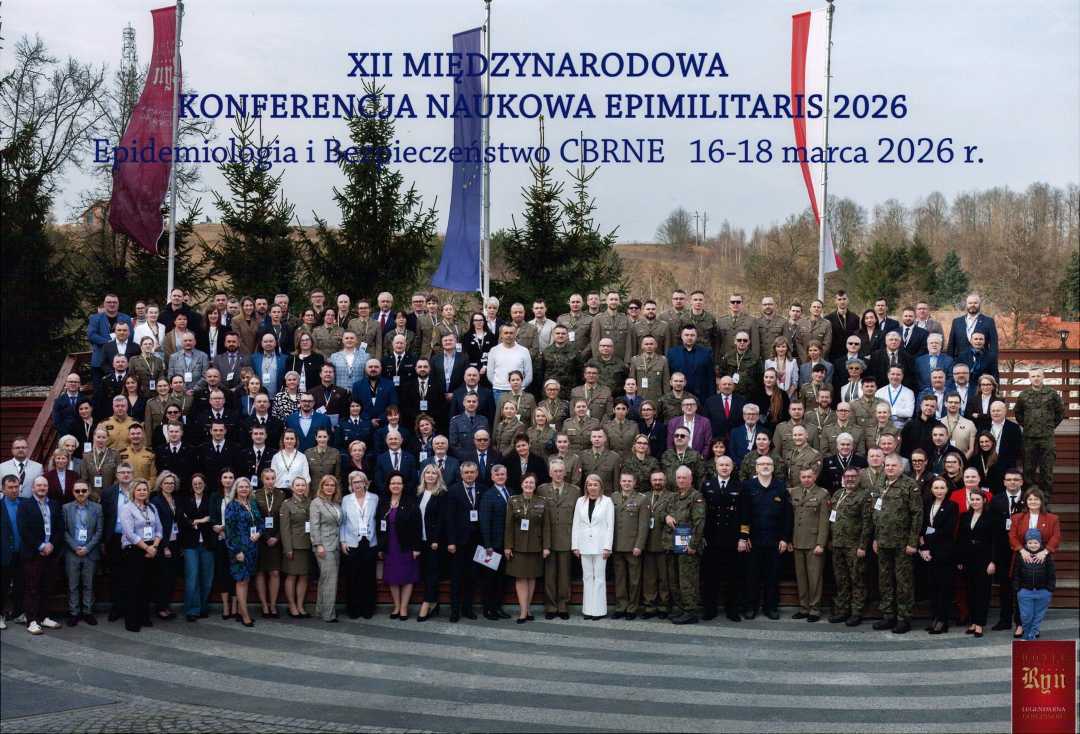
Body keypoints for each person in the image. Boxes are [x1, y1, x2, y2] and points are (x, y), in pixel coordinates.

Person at [869, 454, 923, 634]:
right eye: (887, 465)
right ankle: (888, 615)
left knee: (903, 581)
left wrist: (913, 541)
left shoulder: (910, 485)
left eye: (893, 465)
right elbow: (876, 513)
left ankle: (903, 618)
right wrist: (875, 538)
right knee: (884, 580)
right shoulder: (880, 483)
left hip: (902, 543)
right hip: (883, 541)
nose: (890, 468)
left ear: (901, 468)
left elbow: (917, 515)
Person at [738, 455, 791, 620]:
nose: (765, 466)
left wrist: (784, 538)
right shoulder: (747, 486)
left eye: (769, 464)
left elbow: (787, 516)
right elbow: (743, 514)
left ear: (773, 468)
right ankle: (750, 607)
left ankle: (771, 607)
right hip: (753, 540)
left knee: (772, 576)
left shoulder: (780, 487)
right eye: (762, 464)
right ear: (756, 468)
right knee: (751, 576)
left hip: (774, 540)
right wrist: (744, 537)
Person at [1007, 487, 1061, 638]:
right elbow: (1012, 536)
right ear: (1026, 501)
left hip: (1043, 560)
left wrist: (1045, 552)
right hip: (1022, 559)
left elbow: (1056, 537)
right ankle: (1020, 625)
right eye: (1030, 499)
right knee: (1020, 594)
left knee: (1038, 595)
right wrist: (1021, 550)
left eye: (1036, 499)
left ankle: (1034, 627)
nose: (1033, 502)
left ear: (1041, 501)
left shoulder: (1052, 518)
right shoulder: (1017, 517)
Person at [699, 456, 742, 622]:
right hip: (712, 537)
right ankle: (710, 609)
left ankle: (733, 610)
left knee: (733, 576)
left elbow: (744, 513)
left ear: (732, 467)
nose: (724, 468)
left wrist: (743, 537)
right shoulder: (707, 485)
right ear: (716, 466)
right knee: (711, 576)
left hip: (732, 537)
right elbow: (702, 513)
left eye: (727, 465)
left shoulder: (739, 485)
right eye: (721, 465)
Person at [1013, 367, 1065, 499]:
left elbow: (1060, 412)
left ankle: (1045, 498)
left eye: (1038, 376)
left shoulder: (1052, 394)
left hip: (1046, 438)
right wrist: (1028, 425)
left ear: (1043, 377)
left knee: (1046, 469)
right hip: (1029, 438)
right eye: (1033, 376)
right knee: (1028, 469)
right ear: (1029, 378)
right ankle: (1029, 497)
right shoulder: (1023, 395)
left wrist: (1050, 426)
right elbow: (1018, 413)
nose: (1036, 378)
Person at [504, 473, 550, 623]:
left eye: (531, 483)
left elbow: (546, 527)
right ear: (521, 484)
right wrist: (508, 546)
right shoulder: (513, 500)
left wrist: (546, 547)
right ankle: (523, 611)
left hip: (536, 546)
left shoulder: (542, 502)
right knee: (521, 578)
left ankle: (527, 608)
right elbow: (509, 525)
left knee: (532, 578)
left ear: (535, 485)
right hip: (518, 546)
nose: (529, 485)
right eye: (526, 482)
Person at [118, 478, 162, 632]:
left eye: (144, 489)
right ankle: (132, 621)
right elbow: (129, 534)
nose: (142, 492)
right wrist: (147, 548)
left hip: (151, 548)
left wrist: (154, 546)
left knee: (147, 585)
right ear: (133, 492)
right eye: (139, 489)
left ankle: (144, 617)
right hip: (134, 550)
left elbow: (159, 529)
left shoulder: (152, 507)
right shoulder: (127, 508)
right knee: (134, 586)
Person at [663, 466, 706, 625]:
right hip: (674, 545)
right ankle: (681, 608)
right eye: (679, 477)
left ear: (691, 479)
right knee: (675, 580)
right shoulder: (674, 497)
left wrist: (693, 545)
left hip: (688, 547)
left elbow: (699, 523)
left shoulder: (696, 497)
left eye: (684, 478)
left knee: (687, 580)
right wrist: (667, 516)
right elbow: (662, 511)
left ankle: (691, 611)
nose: (681, 480)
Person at [828, 468, 870, 626]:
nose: (850, 479)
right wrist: (830, 540)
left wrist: (863, 546)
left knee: (857, 579)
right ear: (843, 478)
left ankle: (856, 612)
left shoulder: (864, 496)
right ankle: (842, 610)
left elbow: (867, 523)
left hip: (854, 545)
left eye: (853, 476)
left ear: (858, 478)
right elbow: (832, 519)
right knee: (841, 579)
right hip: (838, 544)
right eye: (847, 476)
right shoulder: (838, 494)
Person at [377, 472, 421, 620]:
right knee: (392, 577)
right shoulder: (383, 503)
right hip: (389, 545)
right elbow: (379, 526)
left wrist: (416, 548)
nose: (396, 486)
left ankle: (404, 608)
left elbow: (417, 527)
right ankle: (396, 606)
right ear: (389, 486)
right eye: (393, 483)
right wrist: (381, 547)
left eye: (399, 483)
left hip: (406, 545)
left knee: (407, 577)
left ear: (403, 486)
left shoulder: (411, 502)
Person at [789, 468, 830, 622]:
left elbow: (824, 522)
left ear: (815, 477)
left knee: (815, 578)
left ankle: (814, 609)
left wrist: (821, 543)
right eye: (803, 476)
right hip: (798, 541)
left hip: (814, 543)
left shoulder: (822, 494)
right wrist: (789, 540)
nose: (806, 479)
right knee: (801, 578)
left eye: (809, 476)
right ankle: (803, 607)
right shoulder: (794, 492)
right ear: (799, 477)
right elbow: (791, 518)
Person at [571, 475, 615, 620]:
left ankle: (599, 611)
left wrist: (608, 547)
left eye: (595, 484)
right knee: (587, 577)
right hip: (584, 545)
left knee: (600, 578)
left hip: (601, 546)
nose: (592, 487)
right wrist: (575, 545)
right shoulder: (580, 501)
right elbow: (576, 524)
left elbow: (610, 526)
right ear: (586, 487)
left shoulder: (607, 502)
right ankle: (588, 610)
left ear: (600, 486)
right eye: (589, 485)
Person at [956, 489, 997, 637]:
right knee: (970, 591)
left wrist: (993, 561)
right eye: (972, 499)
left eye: (977, 499)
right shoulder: (965, 516)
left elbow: (994, 542)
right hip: (968, 559)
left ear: (984, 500)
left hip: (984, 559)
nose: (975, 502)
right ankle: (973, 622)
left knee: (982, 592)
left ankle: (980, 623)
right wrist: (960, 559)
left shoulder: (991, 517)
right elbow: (960, 539)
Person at [919, 477, 958, 634]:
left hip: (945, 553)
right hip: (929, 553)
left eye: (942, 488)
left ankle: (943, 620)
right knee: (933, 587)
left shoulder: (952, 506)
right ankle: (934, 618)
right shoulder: (927, 505)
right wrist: (923, 548)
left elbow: (947, 530)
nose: (939, 491)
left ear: (947, 489)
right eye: (936, 488)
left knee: (944, 588)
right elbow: (922, 527)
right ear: (932, 489)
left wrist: (927, 537)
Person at [340, 471, 379, 619]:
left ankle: (368, 608)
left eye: (360, 481)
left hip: (370, 542)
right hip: (352, 542)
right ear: (351, 485)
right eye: (354, 482)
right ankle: (353, 609)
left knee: (368, 577)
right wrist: (343, 541)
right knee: (353, 577)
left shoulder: (374, 498)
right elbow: (342, 522)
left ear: (365, 483)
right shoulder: (346, 500)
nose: (357, 485)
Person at [177, 472, 216, 621]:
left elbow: (212, 516)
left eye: (200, 483)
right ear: (191, 486)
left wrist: (197, 521)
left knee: (207, 578)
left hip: (207, 543)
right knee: (192, 577)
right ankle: (192, 610)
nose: (198, 486)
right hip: (190, 544)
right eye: (195, 484)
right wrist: (201, 520)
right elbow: (182, 517)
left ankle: (203, 607)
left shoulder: (211, 498)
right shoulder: (185, 499)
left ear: (204, 484)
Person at [609, 472, 648, 620]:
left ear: (634, 483)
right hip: (617, 545)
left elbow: (643, 525)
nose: (626, 483)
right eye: (624, 481)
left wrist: (639, 545)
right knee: (619, 579)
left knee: (634, 580)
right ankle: (621, 606)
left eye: (629, 481)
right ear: (619, 482)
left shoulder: (641, 499)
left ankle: (632, 607)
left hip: (633, 546)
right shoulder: (613, 498)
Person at [224, 477, 262, 627]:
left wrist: (259, 533)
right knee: (241, 581)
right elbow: (229, 531)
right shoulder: (231, 506)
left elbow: (260, 523)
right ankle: (245, 615)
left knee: (246, 580)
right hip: (239, 550)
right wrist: (236, 551)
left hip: (252, 548)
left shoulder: (252, 504)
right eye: (241, 487)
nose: (244, 489)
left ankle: (241, 611)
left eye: (247, 487)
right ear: (236, 489)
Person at [308, 474, 343, 622]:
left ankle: (320, 610)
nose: (329, 488)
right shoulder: (316, 503)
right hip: (324, 546)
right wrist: (318, 545)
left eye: (332, 485)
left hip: (335, 545)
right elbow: (314, 526)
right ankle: (329, 615)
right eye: (326, 485)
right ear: (321, 487)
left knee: (325, 579)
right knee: (330, 580)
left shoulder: (336, 503)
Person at [416, 464, 447, 622]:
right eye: (427, 472)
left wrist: (435, 540)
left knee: (432, 574)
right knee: (425, 573)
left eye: (433, 473)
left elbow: (442, 520)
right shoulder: (419, 493)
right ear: (423, 475)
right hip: (421, 540)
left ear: (438, 476)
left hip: (434, 542)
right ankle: (434, 602)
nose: (430, 475)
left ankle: (426, 604)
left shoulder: (441, 494)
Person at [1013, 528, 1056, 641]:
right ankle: (1029, 635)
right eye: (1030, 542)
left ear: (1040, 542)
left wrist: (1049, 589)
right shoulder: (1021, 556)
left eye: (1036, 542)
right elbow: (1016, 573)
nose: (1033, 545)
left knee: (1038, 616)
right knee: (1026, 616)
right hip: (1025, 591)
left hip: (1043, 592)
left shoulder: (1046, 556)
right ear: (1026, 543)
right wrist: (1018, 589)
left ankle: (1029, 637)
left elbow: (1051, 574)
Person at [253, 467, 285, 618]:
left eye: (273, 478)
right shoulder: (255, 495)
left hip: (276, 539)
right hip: (260, 538)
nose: (270, 481)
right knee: (260, 572)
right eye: (267, 478)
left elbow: (284, 520)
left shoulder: (282, 495)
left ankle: (273, 605)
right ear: (262, 479)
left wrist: (277, 537)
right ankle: (264, 605)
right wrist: (265, 537)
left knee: (274, 572)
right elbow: (255, 518)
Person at [149, 472, 181, 620]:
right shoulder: (156, 501)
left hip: (175, 542)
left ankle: (166, 605)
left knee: (171, 576)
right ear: (160, 484)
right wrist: (165, 546)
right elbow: (157, 525)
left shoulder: (175, 499)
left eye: (172, 483)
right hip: (163, 543)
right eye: (166, 483)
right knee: (162, 576)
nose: (169, 485)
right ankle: (160, 607)